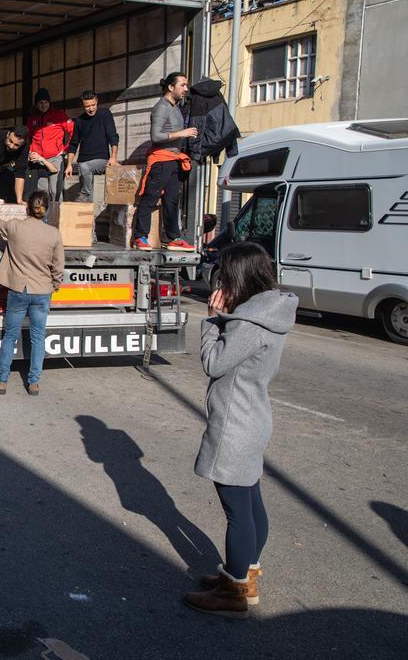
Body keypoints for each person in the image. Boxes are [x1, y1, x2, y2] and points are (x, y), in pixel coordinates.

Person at [185, 243, 297, 618]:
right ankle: (244, 576)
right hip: (253, 416)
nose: (220, 281)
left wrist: (212, 320)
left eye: (225, 275)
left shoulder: (248, 324)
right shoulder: (269, 312)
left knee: (237, 510)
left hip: (236, 424)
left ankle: (233, 592)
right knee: (250, 501)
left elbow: (214, 363)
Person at [0, 190, 63, 396]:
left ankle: (2, 381)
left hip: (18, 289)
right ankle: (34, 382)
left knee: (10, 335)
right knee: (38, 337)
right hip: (42, 291)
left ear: (27, 208)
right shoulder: (53, 233)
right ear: (46, 210)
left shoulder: (15, 227)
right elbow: (58, 267)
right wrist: (54, 285)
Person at [133, 72, 197, 251]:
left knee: (172, 200)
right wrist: (181, 133)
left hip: (174, 160)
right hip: (161, 160)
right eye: (182, 85)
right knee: (150, 198)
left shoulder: (175, 107)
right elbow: (156, 136)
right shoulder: (161, 107)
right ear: (171, 87)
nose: (185, 89)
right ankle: (140, 237)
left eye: (186, 85)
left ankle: (173, 238)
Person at [64, 90, 120, 202]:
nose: (91, 108)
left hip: (102, 161)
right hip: (83, 163)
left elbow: (113, 136)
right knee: (87, 196)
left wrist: (113, 157)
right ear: (82, 106)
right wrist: (69, 164)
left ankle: (84, 194)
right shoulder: (79, 121)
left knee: (85, 185)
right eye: (87, 106)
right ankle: (88, 219)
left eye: (93, 105)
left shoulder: (105, 114)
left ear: (97, 102)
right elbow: (73, 144)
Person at [25, 88, 74, 202]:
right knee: (42, 191)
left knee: (55, 190)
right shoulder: (32, 118)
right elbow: (28, 138)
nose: (44, 105)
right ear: (36, 104)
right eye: (40, 103)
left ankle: (58, 218)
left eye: (46, 102)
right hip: (38, 160)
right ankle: (43, 219)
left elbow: (73, 131)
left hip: (55, 158)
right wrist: (30, 151)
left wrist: (66, 149)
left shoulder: (59, 115)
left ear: (49, 102)